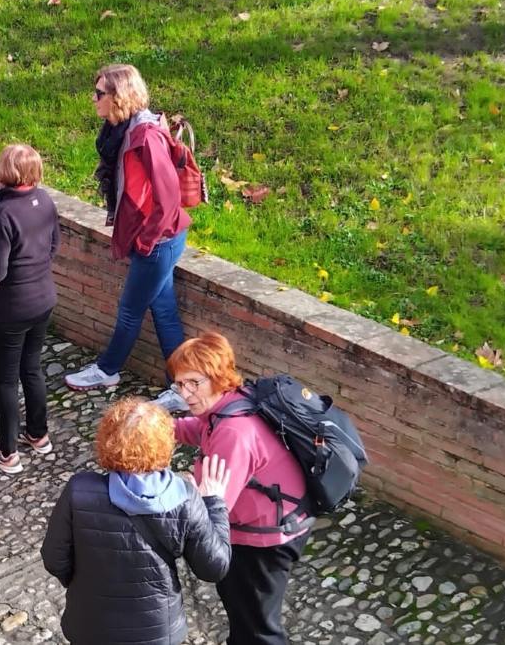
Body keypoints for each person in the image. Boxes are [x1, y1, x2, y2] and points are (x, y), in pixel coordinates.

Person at [41, 398, 232, 645]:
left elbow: (53, 558)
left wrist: (82, 584)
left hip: (91, 626)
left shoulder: (79, 491)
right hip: (156, 631)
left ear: (107, 440)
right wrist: (214, 504)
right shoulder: (184, 498)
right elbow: (214, 568)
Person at [168, 331, 312, 645]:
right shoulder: (232, 401)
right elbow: (202, 428)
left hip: (263, 543)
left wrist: (181, 499)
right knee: (244, 616)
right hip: (267, 525)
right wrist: (164, 427)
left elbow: (215, 511)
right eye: (179, 384)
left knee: (258, 628)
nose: (186, 393)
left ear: (217, 377)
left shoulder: (234, 433)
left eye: (194, 383)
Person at [65, 64, 190, 391]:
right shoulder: (120, 130)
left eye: (99, 94)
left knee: (130, 312)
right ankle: (182, 387)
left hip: (159, 240)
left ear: (119, 96)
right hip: (156, 238)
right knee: (163, 311)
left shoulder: (145, 136)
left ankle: (108, 370)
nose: (93, 99)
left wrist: (146, 240)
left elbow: (169, 197)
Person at [0, 144, 59, 473]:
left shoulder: (3, 213)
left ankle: (7, 453)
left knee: (6, 380)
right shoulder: (46, 201)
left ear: (6, 173)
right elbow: (53, 246)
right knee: (31, 368)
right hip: (43, 299)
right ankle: (38, 433)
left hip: (12, 309)